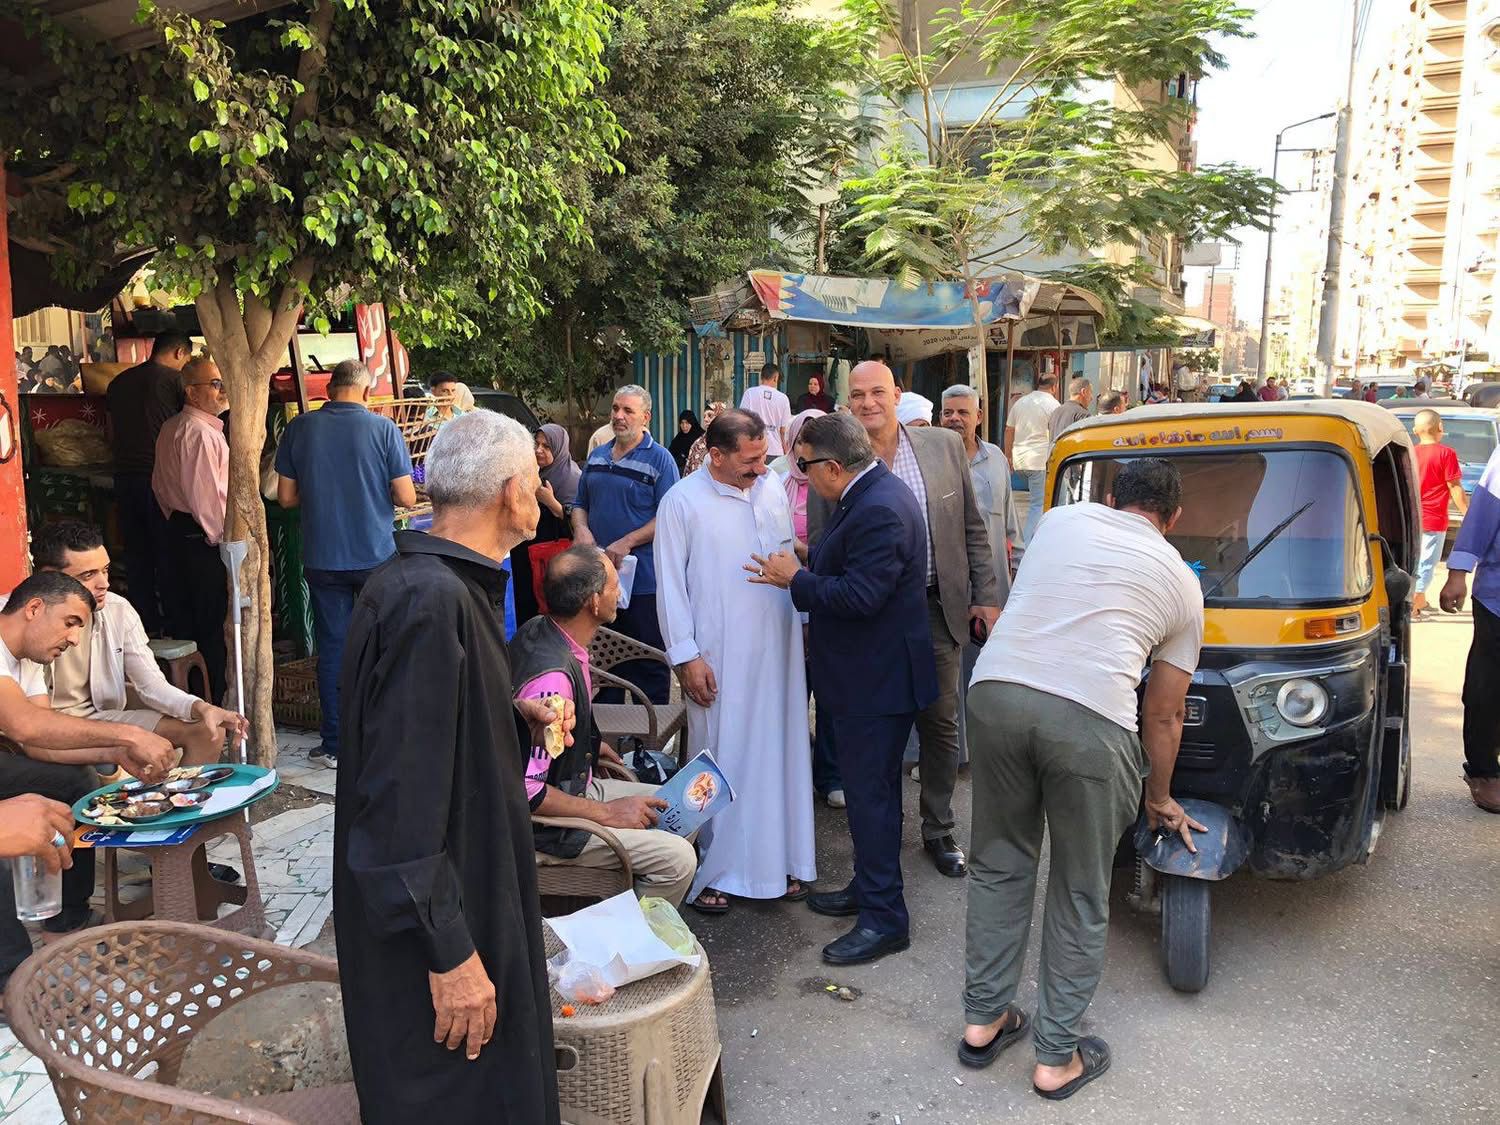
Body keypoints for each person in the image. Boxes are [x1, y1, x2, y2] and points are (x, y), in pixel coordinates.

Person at [334, 409, 575, 1124]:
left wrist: (510, 715)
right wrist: (449, 953)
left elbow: (430, 737)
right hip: (439, 933)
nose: (540, 494)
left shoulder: (440, 585)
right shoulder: (429, 600)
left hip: (474, 891)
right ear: (511, 492)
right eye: (533, 480)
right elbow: (397, 806)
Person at [961, 458, 1204, 1101]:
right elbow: (1165, 712)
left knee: (999, 863)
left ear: (1110, 496)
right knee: (1078, 888)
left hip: (996, 692)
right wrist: (1158, 796)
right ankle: (1055, 1059)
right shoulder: (1183, 584)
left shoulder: (1060, 521)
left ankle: (983, 1021)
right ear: (1173, 519)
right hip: (1091, 721)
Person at [751, 413, 936, 965]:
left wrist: (796, 580)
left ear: (833, 466)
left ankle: (885, 920)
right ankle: (868, 887)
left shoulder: (879, 507)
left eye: (804, 465)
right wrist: (808, 560)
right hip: (868, 677)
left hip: (877, 683)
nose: (800, 475)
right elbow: (851, 564)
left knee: (872, 799)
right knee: (868, 797)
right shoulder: (868, 493)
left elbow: (860, 596)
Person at [808, 361, 998, 878]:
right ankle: (880, 842)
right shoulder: (836, 457)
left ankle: (938, 827)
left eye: (878, 392)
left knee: (940, 724)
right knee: (878, 734)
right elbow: (824, 545)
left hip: (935, 608)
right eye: (858, 395)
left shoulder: (942, 446)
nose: (868, 403)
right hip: (869, 620)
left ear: (897, 394)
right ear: (847, 403)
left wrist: (986, 595)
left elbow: (972, 527)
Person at [656, 410, 816, 913]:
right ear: (716, 456)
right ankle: (715, 871)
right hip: (717, 656)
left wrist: (803, 620)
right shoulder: (681, 501)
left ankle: (781, 861)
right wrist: (686, 656)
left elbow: (787, 558)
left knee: (780, 751)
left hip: (779, 650)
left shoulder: (769, 490)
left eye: (764, 457)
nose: (761, 468)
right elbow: (670, 586)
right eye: (749, 460)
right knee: (721, 756)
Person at [0, 572, 176, 992]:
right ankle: (8, 982)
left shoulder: (25, 658)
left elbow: (39, 743)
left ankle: (66, 918)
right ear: (35, 608)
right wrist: (129, 735)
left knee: (75, 780)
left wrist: (112, 753)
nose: (74, 639)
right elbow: (23, 725)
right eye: (71, 622)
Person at [512, 546, 698, 907]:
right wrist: (609, 813)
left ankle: (629, 916)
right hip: (545, 831)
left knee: (680, 812)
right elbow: (525, 790)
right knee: (677, 860)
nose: (620, 593)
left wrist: (590, 745)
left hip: (572, 786)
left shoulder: (542, 629)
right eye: (614, 585)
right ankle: (629, 938)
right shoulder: (552, 681)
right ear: (594, 602)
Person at [275, 359, 416, 768]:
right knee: (382, 644)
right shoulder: (383, 429)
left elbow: (286, 497)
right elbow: (406, 497)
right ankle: (383, 736)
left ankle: (335, 744)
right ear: (366, 391)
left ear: (329, 390)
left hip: (323, 556)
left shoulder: (299, 428)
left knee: (333, 649)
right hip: (376, 555)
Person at [26, 521, 247, 769]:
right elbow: (30, 723)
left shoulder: (117, 609)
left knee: (207, 730)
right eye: (88, 575)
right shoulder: (26, 617)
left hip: (103, 716)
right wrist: (127, 737)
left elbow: (151, 684)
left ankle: (179, 794)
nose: (104, 583)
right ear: (49, 577)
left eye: (105, 570)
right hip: (50, 726)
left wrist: (201, 707)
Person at [572, 384, 680, 705]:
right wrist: (581, 529)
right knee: (604, 666)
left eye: (628, 411)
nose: (619, 416)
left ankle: (653, 731)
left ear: (646, 417)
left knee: (648, 663)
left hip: (643, 583)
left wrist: (628, 541)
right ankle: (609, 731)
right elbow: (580, 503)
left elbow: (668, 517)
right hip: (599, 581)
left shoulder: (661, 460)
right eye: (616, 409)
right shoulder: (597, 456)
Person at [152, 355, 230, 701]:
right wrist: (220, 541)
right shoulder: (198, 433)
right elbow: (206, 499)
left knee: (185, 620)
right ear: (191, 392)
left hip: (178, 530)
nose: (221, 390)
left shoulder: (173, 427)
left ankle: (191, 699)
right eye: (214, 384)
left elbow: (159, 487)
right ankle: (210, 701)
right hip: (201, 536)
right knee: (209, 625)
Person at [106, 332, 192, 635]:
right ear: (180, 353)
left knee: (137, 556)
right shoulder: (175, 381)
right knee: (168, 554)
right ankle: (177, 629)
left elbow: (110, 433)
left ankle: (144, 627)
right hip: (160, 479)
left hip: (124, 477)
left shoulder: (118, 382)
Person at [774, 408, 839, 808]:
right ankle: (790, 770)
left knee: (828, 688)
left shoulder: (835, 484)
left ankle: (829, 774)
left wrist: (802, 553)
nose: (806, 447)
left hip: (826, 597)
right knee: (790, 690)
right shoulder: (774, 482)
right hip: (784, 600)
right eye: (801, 439)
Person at [510, 423, 583, 627]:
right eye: (537, 444)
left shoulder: (572, 479)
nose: (539, 450)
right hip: (527, 552)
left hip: (551, 557)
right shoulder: (534, 473)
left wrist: (550, 502)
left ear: (559, 449)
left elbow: (578, 524)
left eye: (547, 446)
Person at [1412, 410, 1468, 616]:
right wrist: (1468, 514)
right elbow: (1454, 487)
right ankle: (1414, 605)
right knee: (1427, 562)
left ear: (1415, 431)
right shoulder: (1446, 453)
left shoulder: (1409, 452)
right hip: (1434, 519)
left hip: (1410, 519)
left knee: (1413, 561)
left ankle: (1421, 600)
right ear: (1440, 428)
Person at [1006, 371, 1060, 547]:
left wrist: (1008, 456)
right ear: (1054, 387)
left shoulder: (1021, 402)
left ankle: (1023, 540)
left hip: (1019, 460)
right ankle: (1028, 546)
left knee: (1020, 504)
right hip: (1039, 461)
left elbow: (1009, 430)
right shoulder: (1053, 405)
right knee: (1038, 505)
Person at [738, 365, 793, 458]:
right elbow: (783, 430)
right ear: (775, 378)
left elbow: (741, 421)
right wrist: (786, 452)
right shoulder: (783, 398)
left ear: (761, 376)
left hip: (753, 449)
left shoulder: (750, 393)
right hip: (775, 451)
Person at [684, 401, 727, 475]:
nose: (706, 419)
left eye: (710, 416)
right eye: (704, 416)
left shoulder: (731, 442)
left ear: (721, 418)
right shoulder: (698, 444)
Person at [1048, 377, 1092, 442]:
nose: (1091, 398)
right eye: (1091, 392)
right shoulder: (1083, 414)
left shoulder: (1056, 411)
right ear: (1084, 392)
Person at [668, 409, 703, 473]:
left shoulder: (701, 437)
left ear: (692, 423)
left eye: (687, 423)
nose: (684, 426)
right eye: (682, 423)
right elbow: (670, 455)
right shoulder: (679, 438)